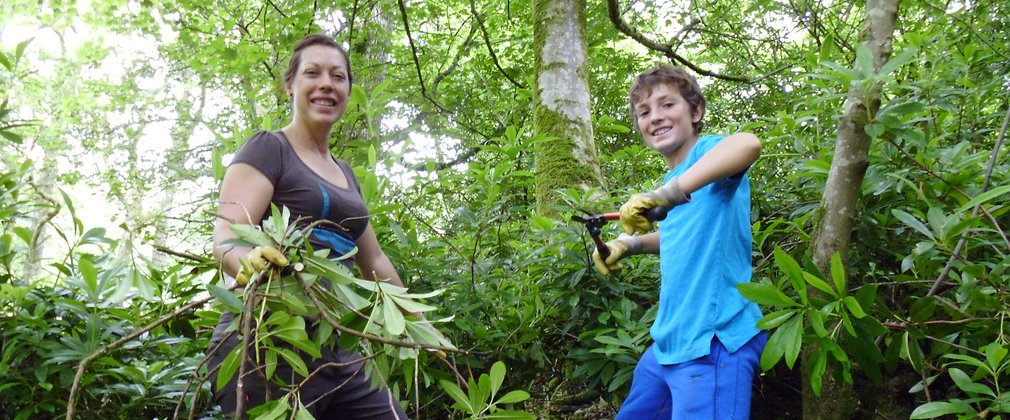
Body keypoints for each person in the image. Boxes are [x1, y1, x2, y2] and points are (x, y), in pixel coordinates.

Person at [207, 34, 408, 419]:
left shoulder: (346, 174)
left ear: (349, 89)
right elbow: (226, 235)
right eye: (312, 73)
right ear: (290, 85)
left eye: (338, 76)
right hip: (268, 345)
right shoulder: (269, 148)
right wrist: (248, 260)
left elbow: (375, 261)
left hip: (338, 348)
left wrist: (418, 324)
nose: (326, 85)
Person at [592, 64, 767, 419]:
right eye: (644, 112)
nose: (655, 117)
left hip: (713, 340)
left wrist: (670, 193)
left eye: (667, 105)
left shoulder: (708, 159)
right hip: (669, 342)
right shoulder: (675, 180)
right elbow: (680, 234)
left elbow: (748, 144)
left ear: (696, 110)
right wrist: (631, 244)